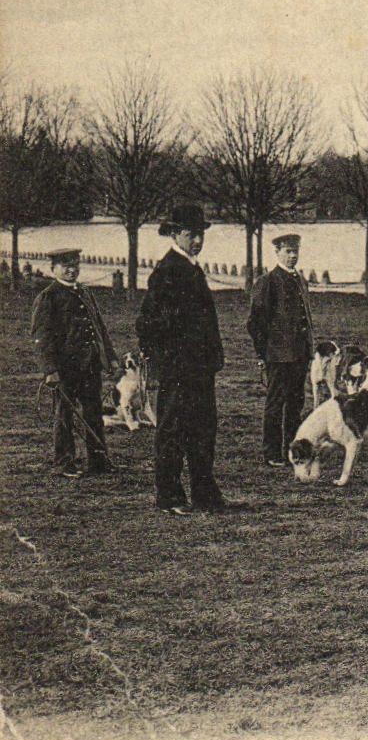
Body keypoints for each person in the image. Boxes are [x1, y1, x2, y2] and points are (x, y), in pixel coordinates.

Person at [137, 203, 231, 515]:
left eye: (201, 233)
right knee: (173, 431)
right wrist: (167, 358)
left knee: (203, 430)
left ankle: (205, 493)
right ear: (175, 234)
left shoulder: (190, 268)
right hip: (179, 369)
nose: (198, 240)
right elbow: (148, 324)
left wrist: (211, 355)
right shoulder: (167, 271)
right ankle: (170, 497)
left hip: (200, 368)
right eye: (191, 234)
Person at [30, 248, 116, 477]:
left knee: (94, 412)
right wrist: (50, 370)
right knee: (64, 415)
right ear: (54, 269)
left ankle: (99, 460)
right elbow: (42, 337)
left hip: (90, 365)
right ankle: (64, 462)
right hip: (65, 369)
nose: (72, 270)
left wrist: (111, 358)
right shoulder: (49, 296)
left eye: (75, 265)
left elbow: (99, 327)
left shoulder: (85, 292)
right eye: (66, 266)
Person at [248, 233, 314, 467]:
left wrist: (309, 349)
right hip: (277, 355)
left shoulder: (299, 280)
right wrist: (262, 354)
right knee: (275, 404)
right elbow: (255, 322)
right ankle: (272, 452)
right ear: (277, 253)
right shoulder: (268, 281)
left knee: (296, 404)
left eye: (295, 251)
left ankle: (291, 449)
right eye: (287, 251)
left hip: (299, 354)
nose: (292, 256)